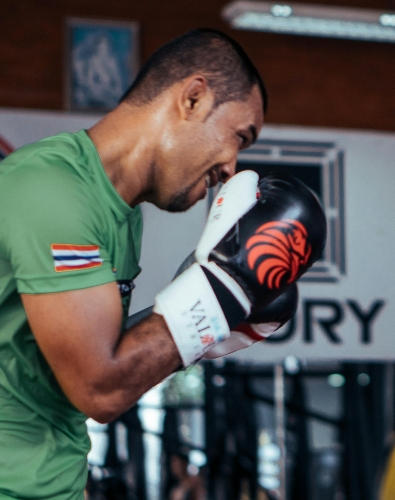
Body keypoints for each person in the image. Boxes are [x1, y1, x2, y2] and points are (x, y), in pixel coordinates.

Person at [0, 29, 326, 499]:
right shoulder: (52, 191)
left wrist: (206, 325)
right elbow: (98, 389)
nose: (233, 167)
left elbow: (82, 367)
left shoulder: (120, 213)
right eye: (240, 136)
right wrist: (221, 292)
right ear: (193, 98)